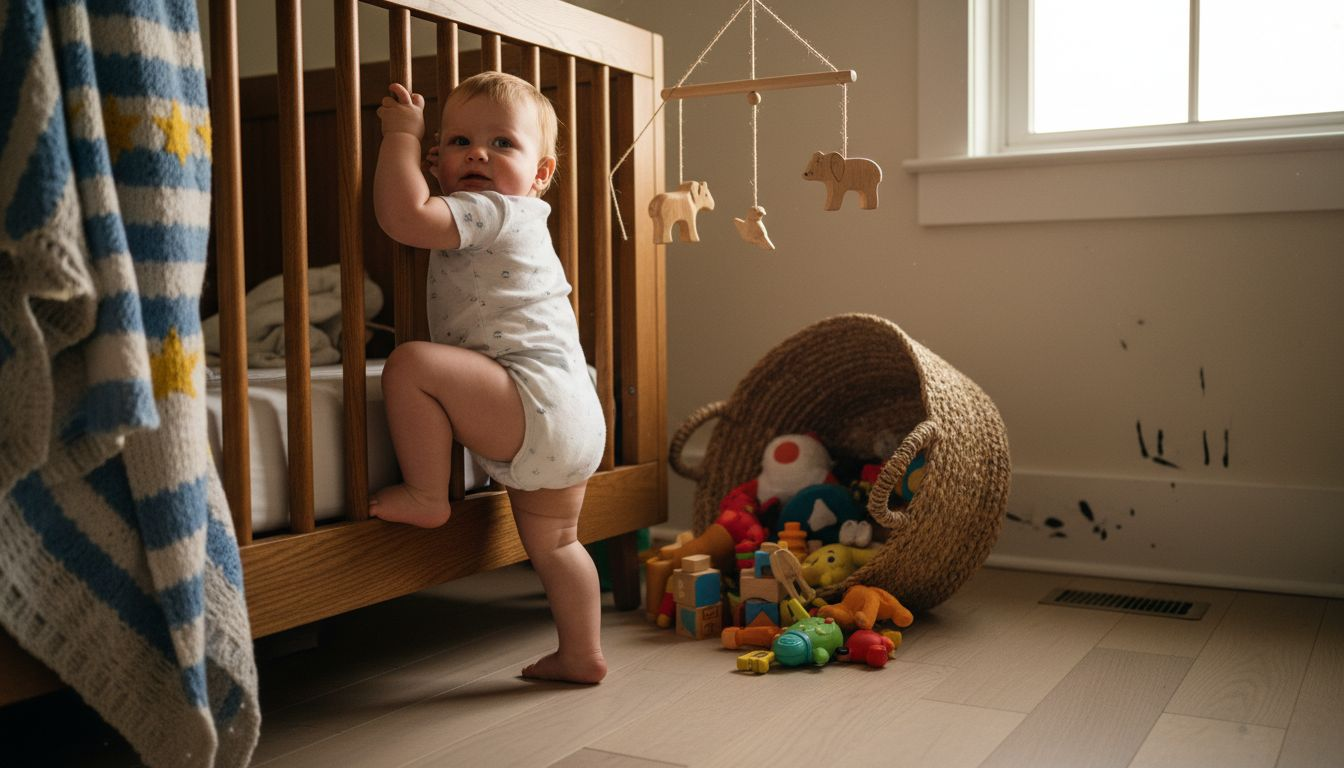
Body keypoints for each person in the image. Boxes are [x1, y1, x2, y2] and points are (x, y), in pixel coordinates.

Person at [371, 71, 607, 684]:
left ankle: (428, 497)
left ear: (541, 174)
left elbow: (404, 218)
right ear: (439, 160)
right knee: (558, 545)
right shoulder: (517, 216)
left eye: (502, 144)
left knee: (411, 363)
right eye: (457, 143)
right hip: (573, 411)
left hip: (533, 399)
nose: (477, 153)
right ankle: (581, 652)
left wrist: (400, 135)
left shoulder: (495, 210)